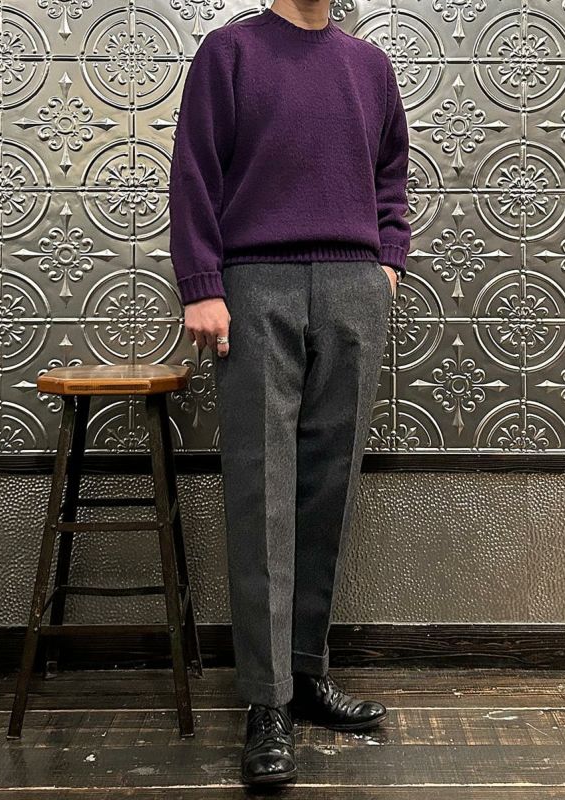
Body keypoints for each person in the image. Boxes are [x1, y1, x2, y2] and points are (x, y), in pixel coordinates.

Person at [168, 0, 410, 786]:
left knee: (326, 489)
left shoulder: (369, 66)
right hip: (254, 284)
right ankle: (266, 700)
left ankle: (305, 675)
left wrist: (388, 261)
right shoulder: (230, 52)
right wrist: (202, 283)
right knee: (261, 490)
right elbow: (195, 170)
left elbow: (392, 172)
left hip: (353, 287)